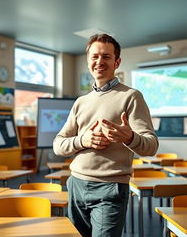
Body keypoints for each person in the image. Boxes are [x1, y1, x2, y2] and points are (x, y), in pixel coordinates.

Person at [53, 33, 158, 237]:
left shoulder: (131, 96)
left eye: (106, 57)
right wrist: (82, 140)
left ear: (117, 62)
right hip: (76, 185)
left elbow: (151, 146)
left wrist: (129, 138)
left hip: (110, 188)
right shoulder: (80, 102)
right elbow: (58, 145)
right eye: (94, 56)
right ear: (88, 61)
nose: (99, 61)